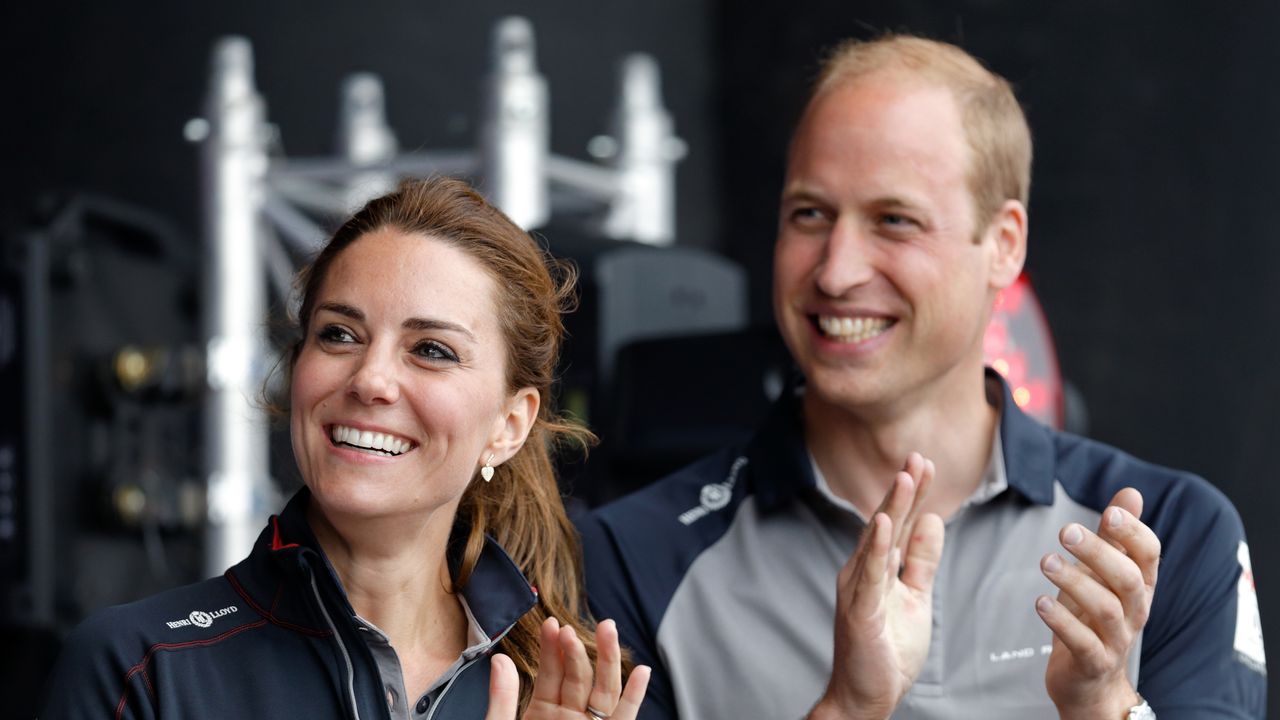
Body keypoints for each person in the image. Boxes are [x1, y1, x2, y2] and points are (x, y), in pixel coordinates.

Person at [578, 35, 1266, 719]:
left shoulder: (1170, 535)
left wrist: (1104, 704)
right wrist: (848, 709)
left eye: (894, 221)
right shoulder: (634, 557)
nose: (837, 271)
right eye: (810, 214)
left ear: (1004, 245)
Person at [40, 177, 650, 719]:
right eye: (339, 335)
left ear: (509, 425)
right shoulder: (141, 671)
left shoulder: (576, 697)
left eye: (431, 349)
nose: (370, 379)